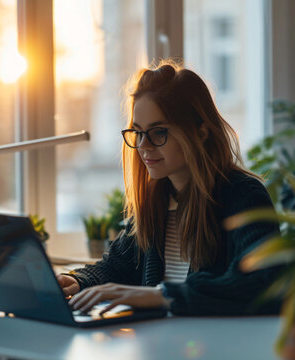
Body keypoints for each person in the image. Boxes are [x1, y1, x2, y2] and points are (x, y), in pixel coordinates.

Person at [58, 59, 281, 316]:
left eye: (158, 132)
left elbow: (263, 282)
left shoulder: (244, 196)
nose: (143, 146)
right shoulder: (157, 198)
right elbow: (116, 266)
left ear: (200, 133)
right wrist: (78, 281)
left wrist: (162, 295)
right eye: (138, 132)